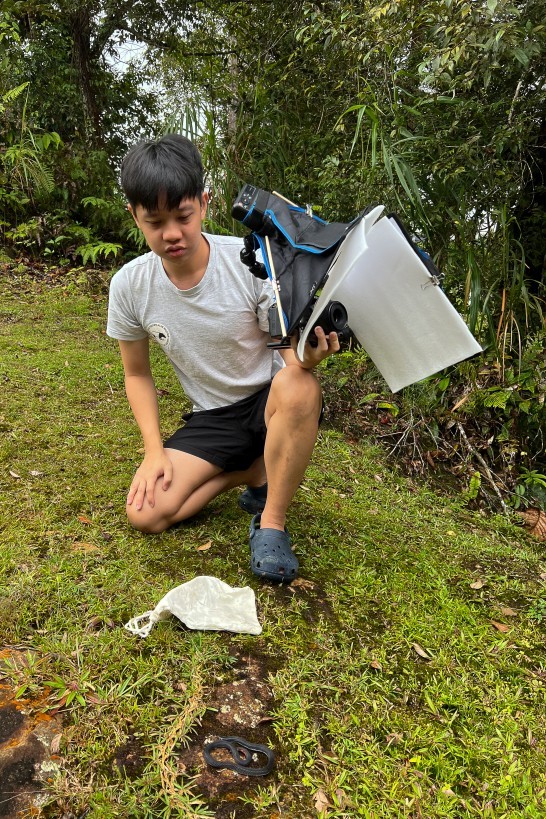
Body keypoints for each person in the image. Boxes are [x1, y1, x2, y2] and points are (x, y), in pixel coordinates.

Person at [106, 134, 340, 583]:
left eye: (183, 216)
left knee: (300, 385)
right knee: (145, 515)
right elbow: (136, 374)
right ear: (134, 215)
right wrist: (153, 452)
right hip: (212, 418)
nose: (171, 233)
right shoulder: (130, 286)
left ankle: (271, 522)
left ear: (205, 204)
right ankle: (251, 471)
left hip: (268, 401)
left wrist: (307, 360)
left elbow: (288, 354)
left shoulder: (250, 263)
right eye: (155, 221)